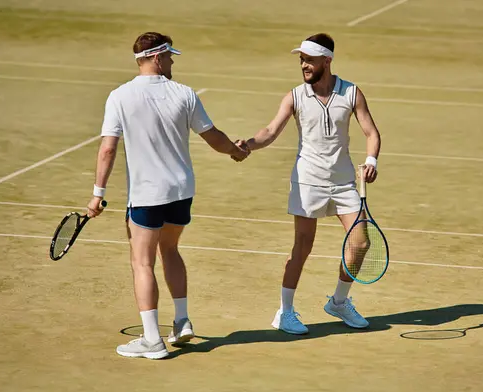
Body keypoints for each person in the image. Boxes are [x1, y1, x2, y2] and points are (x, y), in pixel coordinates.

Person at [86, 32, 250, 359]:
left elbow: (107, 150)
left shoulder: (119, 96)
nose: (173, 61)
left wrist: (97, 194)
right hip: (181, 191)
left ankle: (152, 340)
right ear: (156, 58)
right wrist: (235, 151)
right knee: (170, 250)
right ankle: (182, 320)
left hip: (147, 195)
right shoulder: (184, 94)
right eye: (170, 56)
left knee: (141, 262)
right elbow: (213, 136)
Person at [243, 33, 382, 334]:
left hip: (344, 182)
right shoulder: (294, 96)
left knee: (361, 242)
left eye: (309, 60)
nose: (304, 65)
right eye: (301, 60)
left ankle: (339, 302)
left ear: (326, 61)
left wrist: (371, 161)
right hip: (308, 182)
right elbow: (270, 131)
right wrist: (248, 145)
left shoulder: (351, 93)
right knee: (302, 247)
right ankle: (285, 312)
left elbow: (371, 132)